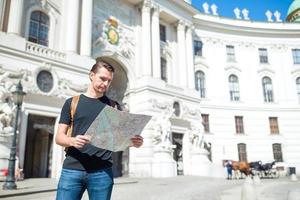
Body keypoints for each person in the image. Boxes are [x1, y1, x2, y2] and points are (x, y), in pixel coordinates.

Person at [55, 60, 143, 200]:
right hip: (72, 170)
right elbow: (59, 137)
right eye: (102, 79)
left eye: (109, 81)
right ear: (91, 75)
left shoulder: (114, 106)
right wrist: (72, 140)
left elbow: (118, 139)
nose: (106, 84)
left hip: (102, 172)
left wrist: (133, 142)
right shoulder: (72, 102)